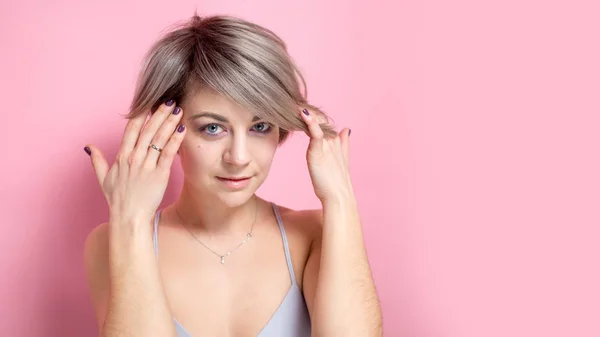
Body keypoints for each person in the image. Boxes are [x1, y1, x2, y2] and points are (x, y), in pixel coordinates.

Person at [83, 14, 382, 337]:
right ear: (166, 130)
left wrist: (340, 198)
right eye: (213, 128)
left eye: (260, 126)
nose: (238, 157)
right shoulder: (112, 242)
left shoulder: (313, 235)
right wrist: (132, 222)